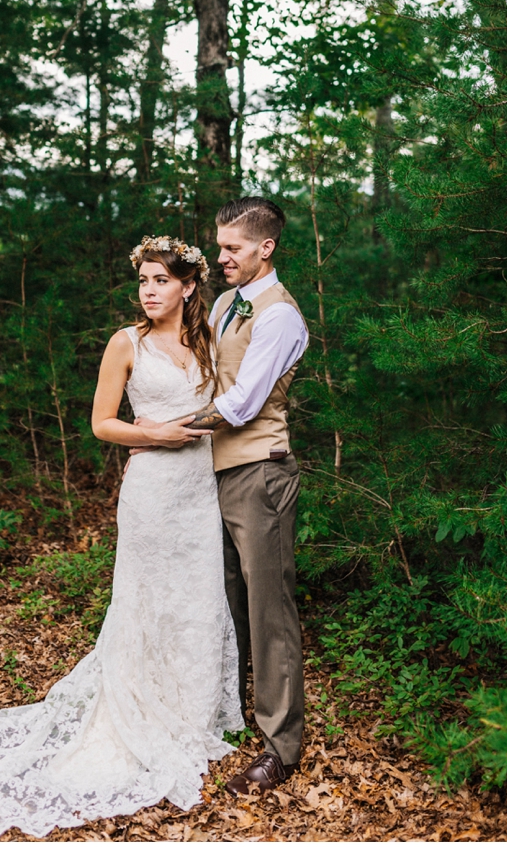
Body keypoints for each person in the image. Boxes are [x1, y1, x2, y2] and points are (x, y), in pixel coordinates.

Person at [0, 236, 243, 841]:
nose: (150, 291)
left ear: (189, 286)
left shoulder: (210, 340)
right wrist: (151, 436)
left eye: (162, 280)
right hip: (153, 491)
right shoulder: (125, 342)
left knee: (196, 599)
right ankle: (135, 711)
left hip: (199, 495)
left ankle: (191, 715)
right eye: (144, 282)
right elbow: (101, 422)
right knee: (145, 601)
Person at [168, 197, 308, 797]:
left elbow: (243, 403)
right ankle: (227, 716)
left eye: (233, 248)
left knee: (269, 611)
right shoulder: (226, 302)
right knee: (222, 604)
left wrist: (163, 432)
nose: (221, 257)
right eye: (220, 246)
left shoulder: (279, 316)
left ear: (265, 247)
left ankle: (281, 747)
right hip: (213, 474)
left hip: (261, 474)